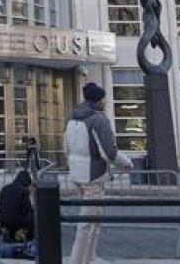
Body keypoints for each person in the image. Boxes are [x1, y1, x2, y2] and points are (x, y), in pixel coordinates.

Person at [65, 81, 132, 264]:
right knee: (88, 222)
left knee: (94, 218)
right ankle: (78, 260)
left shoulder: (72, 117)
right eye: (103, 99)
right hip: (93, 175)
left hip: (77, 174)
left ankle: (89, 257)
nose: (104, 102)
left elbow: (66, 147)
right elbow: (109, 152)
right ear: (98, 100)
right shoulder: (99, 120)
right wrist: (126, 163)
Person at [0, 170, 36, 241]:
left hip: (3, 221)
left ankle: (10, 234)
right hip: (17, 222)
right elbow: (25, 210)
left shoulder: (4, 188)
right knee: (33, 214)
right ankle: (29, 237)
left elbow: (1, 205)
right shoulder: (24, 191)